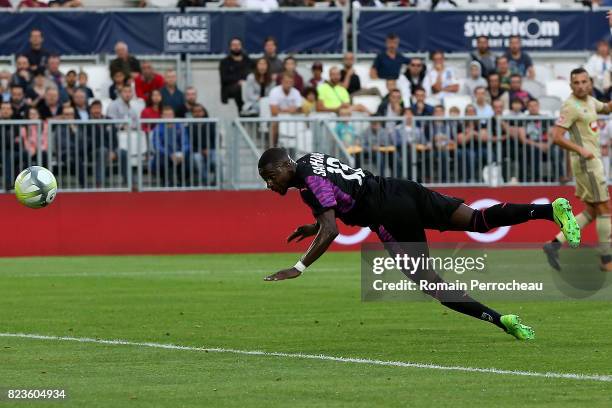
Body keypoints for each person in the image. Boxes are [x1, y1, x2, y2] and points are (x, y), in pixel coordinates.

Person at [257, 147, 582, 340]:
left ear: (286, 166)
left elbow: (331, 231)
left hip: (388, 214)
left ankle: (501, 320)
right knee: (478, 221)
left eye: (272, 176)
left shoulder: (309, 183)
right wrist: (314, 223)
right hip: (402, 189)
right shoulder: (310, 162)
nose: (270, 184)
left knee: (431, 284)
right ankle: (548, 210)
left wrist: (298, 266)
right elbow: (339, 196)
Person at [544, 67, 612, 271]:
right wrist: (580, 150)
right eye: (577, 83)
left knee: (592, 210)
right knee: (604, 209)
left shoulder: (590, 101)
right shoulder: (570, 107)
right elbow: (555, 137)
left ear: (590, 83)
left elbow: (607, 108)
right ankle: (606, 259)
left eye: (584, 82)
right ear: (571, 85)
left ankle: (553, 244)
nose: (581, 86)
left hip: (593, 161)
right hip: (587, 164)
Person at [84, 100, 129, 187]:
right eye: (94, 108)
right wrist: (108, 151)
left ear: (101, 109)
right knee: (102, 151)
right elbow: (90, 142)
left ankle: (129, 181)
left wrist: (112, 151)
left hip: (111, 150)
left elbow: (114, 139)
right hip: (93, 151)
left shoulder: (109, 120)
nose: (97, 111)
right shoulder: (87, 123)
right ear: (91, 110)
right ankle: (99, 183)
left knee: (123, 152)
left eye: (98, 108)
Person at [150, 106, 191, 186]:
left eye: (170, 115)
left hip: (179, 154)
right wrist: (170, 155)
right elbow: (157, 145)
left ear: (174, 115)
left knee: (189, 158)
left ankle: (182, 181)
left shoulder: (180, 126)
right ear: (162, 116)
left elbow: (185, 143)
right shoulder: (158, 128)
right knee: (161, 158)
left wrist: (182, 153)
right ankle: (166, 181)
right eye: (166, 115)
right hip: (165, 155)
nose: (169, 117)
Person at [219, 38, 252, 112]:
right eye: (234, 45)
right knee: (240, 88)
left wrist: (244, 81)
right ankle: (242, 111)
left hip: (247, 86)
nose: (236, 47)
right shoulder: (224, 62)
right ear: (230, 47)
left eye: (238, 45)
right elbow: (224, 78)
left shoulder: (248, 61)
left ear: (241, 46)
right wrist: (239, 81)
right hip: (230, 88)